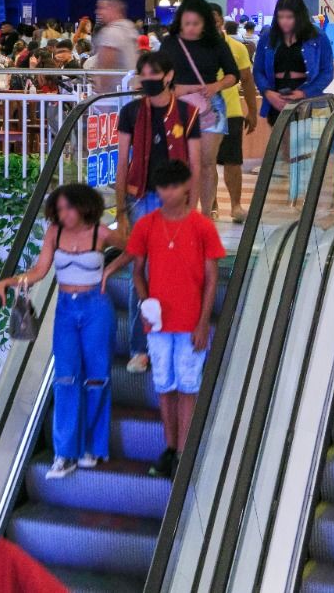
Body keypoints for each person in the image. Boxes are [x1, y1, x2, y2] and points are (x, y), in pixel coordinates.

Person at [0, 184, 127, 477]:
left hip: (96, 308)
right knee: (65, 378)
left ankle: (92, 448)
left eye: (68, 208)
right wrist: (7, 283)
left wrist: (110, 270)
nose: (63, 214)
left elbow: (135, 247)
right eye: (59, 209)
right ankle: (65, 453)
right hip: (66, 309)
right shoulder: (54, 233)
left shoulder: (101, 232)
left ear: (83, 206)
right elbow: (39, 271)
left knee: (96, 377)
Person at [128, 160, 224, 478]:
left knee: (188, 385)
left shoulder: (202, 226)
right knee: (164, 385)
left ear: (186, 188)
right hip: (157, 324)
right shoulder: (146, 225)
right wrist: (145, 302)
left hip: (190, 322)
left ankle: (184, 451)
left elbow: (212, 278)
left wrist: (203, 323)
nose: (167, 193)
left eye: (173, 186)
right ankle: (170, 448)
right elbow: (137, 270)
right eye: (162, 187)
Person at [115, 53, 200, 374]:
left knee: (172, 270)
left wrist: (192, 209)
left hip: (175, 203)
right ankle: (141, 347)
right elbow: (123, 162)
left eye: (154, 73)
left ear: (169, 75)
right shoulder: (131, 112)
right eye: (144, 74)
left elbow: (194, 165)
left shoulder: (187, 113)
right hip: (140, 200)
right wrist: (121, 211)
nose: (148, 79)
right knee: (142, 271)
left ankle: (173, 338)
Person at [158, 0, 239, 217]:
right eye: (187, 23)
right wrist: (176, 89)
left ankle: (204, 215)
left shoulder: (216, 43)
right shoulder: (170, 43)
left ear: (205, 23)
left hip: (209, 107)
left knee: (206, 162)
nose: (191, 28)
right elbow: (158, 74)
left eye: (196, 23)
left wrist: (216, 85)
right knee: (180, 161)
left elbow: (233, 74)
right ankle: (183, 211)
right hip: (176, 107)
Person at [253, 0, 334, 124]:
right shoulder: (267, 36)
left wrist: (304, 93)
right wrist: (267, 92)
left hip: (307, 98)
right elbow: (258, 70)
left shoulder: (318, 36)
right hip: (276, 96)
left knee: (306, 135)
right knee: (280, 135)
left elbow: (327, 72)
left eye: (289, 17)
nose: (284, 21)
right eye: (280, 17)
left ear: (299, 16)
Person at [212, 6, 260, 223]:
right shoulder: (194, 48)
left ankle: (235, 205)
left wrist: (252, 111)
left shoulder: (237, 48)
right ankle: (211, 205)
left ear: (221, 21)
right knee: (206, 164)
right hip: (202, 114)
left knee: (232, 162)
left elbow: (247, 81)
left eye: (214, 20)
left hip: (231, 112)